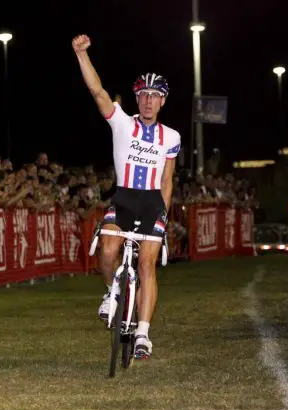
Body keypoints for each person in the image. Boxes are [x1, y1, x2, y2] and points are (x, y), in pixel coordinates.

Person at [72, 34, 180, 360]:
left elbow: (167, 179)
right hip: (124, 198)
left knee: (147, 264)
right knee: (106, 251)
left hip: (152, 203)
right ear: (137, 99)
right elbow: (97, 91)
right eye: (144, 95)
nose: (149, 101)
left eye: (155, 96)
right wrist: (81, 54)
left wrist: (165, 213)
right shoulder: (122, 123)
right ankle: (112, 291)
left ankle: (143, 335)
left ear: (163, 102)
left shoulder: (171, 137)